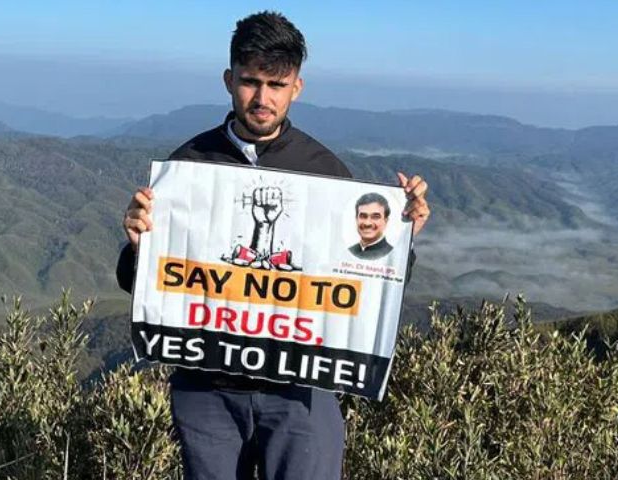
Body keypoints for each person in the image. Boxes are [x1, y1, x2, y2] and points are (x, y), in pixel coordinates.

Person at [117, 11, 430, 480]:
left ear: (296, 88)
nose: (262, 99)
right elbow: (140, 281)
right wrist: (139, 246)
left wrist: (402, 238)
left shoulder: (326, 173)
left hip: (301, 390)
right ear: (229, 80)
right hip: (207, 389)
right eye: (250, 82)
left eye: (276, 85)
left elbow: (362, 286)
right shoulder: (187, 168)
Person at [348, 192, 394, 260]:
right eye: (363, 216)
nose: (367, 223)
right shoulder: (348, 251)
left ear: (385, 221)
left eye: (375, 217)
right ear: (356, 219)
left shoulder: (393, 254)